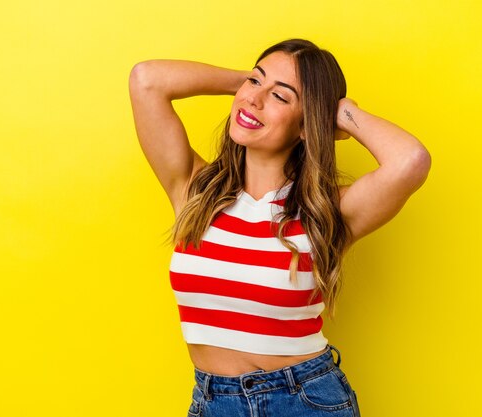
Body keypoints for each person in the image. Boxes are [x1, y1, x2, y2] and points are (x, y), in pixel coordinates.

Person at [129, 39, 431, 417]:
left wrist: (340, 114)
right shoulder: (194, 189)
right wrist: (247, 83)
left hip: (304, 401)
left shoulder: (329, 212)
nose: (254, 100)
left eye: (281, 97)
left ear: (306, 126)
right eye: (256, 82)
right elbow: (147, 80)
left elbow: (411, 161)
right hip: (212, 402)